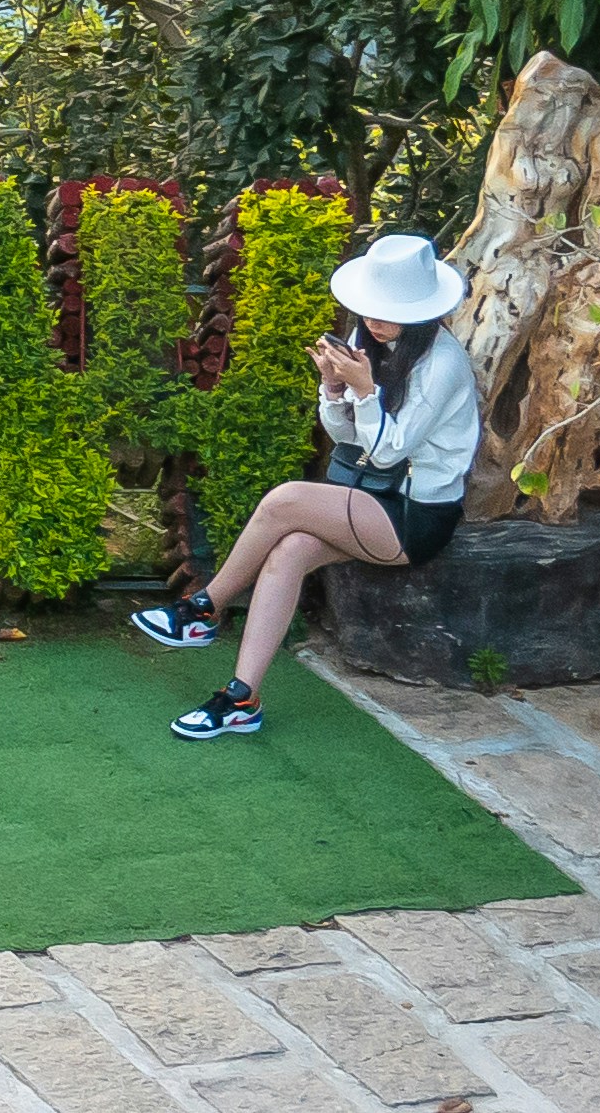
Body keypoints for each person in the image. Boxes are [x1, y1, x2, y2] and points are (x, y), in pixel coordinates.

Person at [129, 229, 479, 739]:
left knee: (286, 500)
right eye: (370, 309)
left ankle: (203, 609)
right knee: (289, 551)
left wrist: (363, 392)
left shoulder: (442, 363)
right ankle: (241, 698)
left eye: (390, 313)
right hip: (366, 498)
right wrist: (334, 391)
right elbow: (347, 440)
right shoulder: (367, 342)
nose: (376, 322)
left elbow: (387, 450)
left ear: (422, 312)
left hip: (412, 517)